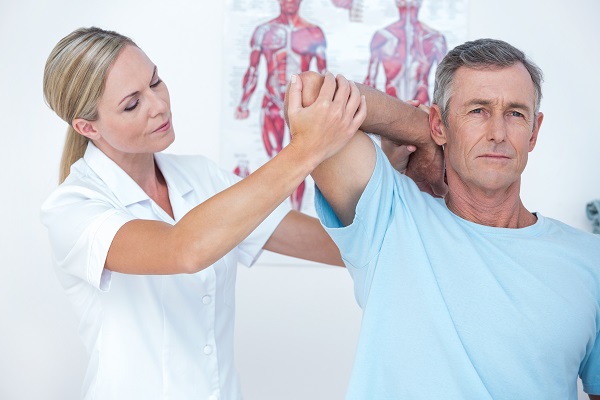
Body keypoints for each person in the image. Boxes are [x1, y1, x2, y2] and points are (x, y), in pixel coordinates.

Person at [39, 26, 371, 400]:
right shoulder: (73, 208)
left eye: (156, 82)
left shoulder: (201, 177)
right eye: (132, 104)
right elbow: (184, 250)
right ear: (87, 127)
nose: (159, 105)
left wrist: (391, 183)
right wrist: (308, 148)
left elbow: (330, 246)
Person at [286, 39, 600, 399]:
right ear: (440, 123)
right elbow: (311, 95)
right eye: (477, 111)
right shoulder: (389, 219)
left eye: (515, 113)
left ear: (534, 131)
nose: (498, 133)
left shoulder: (591, 261)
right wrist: (421, 129)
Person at [235, 0, 327, 211]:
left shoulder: (314, 33)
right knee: (276, 161)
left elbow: (323, 75)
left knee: (299, 162)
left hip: (302, 106)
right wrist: (243, 103)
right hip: (272, 103)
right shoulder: (263, 31)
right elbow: (253, 69)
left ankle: (296, 214)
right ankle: (278, 217)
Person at [363, 0, 447, 105]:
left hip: (422, 110)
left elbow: (446, 83)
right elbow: (370, 82)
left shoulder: (435, 38)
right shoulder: (383, 36)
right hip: (391, 108)